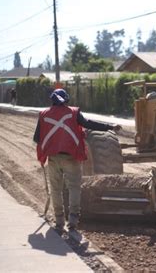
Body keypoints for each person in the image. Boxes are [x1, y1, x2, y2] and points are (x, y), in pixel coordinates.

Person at [33, 88, 122, 230]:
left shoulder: (43, 115)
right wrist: (109, 127)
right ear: (67, 99)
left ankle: (59, 220)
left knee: (56, 190)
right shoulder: (73, 113)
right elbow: (89, 124)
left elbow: (37, 138)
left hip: (54, 159)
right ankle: (73, 219)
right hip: (71, 158)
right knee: (74, 187)